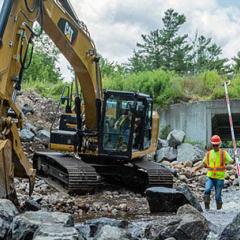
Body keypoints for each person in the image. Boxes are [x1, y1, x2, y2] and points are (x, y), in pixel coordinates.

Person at [192, 135, 233, 210]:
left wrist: (234, 158)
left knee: (217, 197)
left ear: (219, 144)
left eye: (216, 145)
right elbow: (203, 164)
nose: (215, 146)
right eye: (214, 145)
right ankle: (207, 209)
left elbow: (231, 160)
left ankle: (219, 211)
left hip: (219, 178)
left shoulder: (224, 153)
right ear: (212, 144)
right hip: (210, 177)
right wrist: (195, 169)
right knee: (207, 190)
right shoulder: (209, 153)